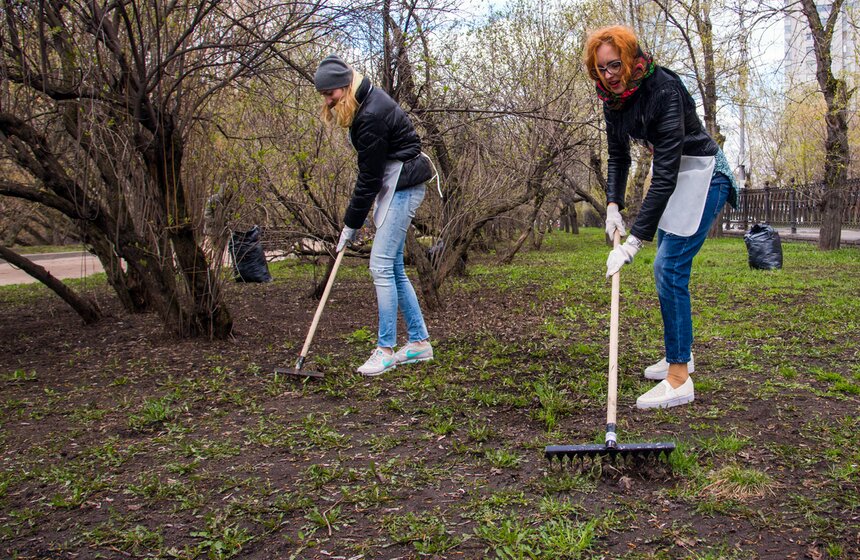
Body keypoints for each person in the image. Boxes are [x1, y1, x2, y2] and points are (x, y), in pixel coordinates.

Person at [583, 26, 739, 409]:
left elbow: (665, 174)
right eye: (601, 69)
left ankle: (679, 378)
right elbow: (618, 156)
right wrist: (613, 207)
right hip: (678, 176)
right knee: (669, 269)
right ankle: (680, 352)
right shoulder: (613, 100)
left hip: (704, 174)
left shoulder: (664, 89)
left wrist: (634, 242)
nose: (609, 75)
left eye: (615, 65)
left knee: (668, 267)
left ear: (633, 60)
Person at [314, 54, 435, 376]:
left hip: (404, 187)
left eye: (331, 94)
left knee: (380, 265)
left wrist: (350, 225)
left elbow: (368, 179)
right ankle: (419, 343)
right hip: (396, 185)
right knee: (393, 267)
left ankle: (385, 350)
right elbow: (374, 175)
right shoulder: (365, 101)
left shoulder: (371, 115)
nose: (327, 101)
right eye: (324, 95)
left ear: (345, 86)